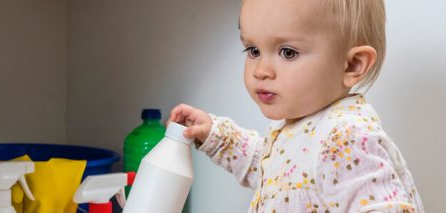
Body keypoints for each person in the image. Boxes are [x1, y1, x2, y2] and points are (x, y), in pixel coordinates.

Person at [169, 0, 423, 212]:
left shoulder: (345, 137)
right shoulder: (301, 130)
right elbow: (270, 169)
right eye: (253, 50)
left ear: (353, 65)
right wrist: (216, 133)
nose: (261, 71)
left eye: (288, 52)